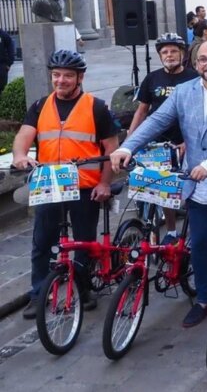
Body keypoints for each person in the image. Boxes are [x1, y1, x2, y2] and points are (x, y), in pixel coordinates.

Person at [110, 40, 207, 328]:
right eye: (203, 59)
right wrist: (127, 147)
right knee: (200, 242)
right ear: (195, 63)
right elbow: (157, 121)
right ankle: (204, 299)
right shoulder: (183, 91)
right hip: (198, 183)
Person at [13, 51, 119, 319]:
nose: (61, 80)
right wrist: (20, 155)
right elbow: (24, 135)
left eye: (68, 76)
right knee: (42, 242)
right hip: (50, 184)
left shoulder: (96, 107)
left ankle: (83, 288)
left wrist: (105, 183)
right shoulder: (40, 106)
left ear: (80, 78)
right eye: (56, 75)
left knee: (84, 243)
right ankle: (39, 294)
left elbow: (111, 149)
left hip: (85, 186)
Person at [129, 34, 198, 242]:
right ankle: (171, 231)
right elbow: (142, 110)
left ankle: (193, 230)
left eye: (174, 51)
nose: (169, 55)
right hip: (158, 143)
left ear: (182, 54)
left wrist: (188, 143)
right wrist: (130, 141)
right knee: (162, 189)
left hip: (185, 141)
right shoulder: (152, 78)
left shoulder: (194, 78)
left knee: (190, 190)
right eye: (165, 52)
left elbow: (200, 113)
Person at [0, 27, 15, 95]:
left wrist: (9, 64)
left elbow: (10, 49)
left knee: (2, 89)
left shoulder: (3, 35)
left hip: (1, 66)